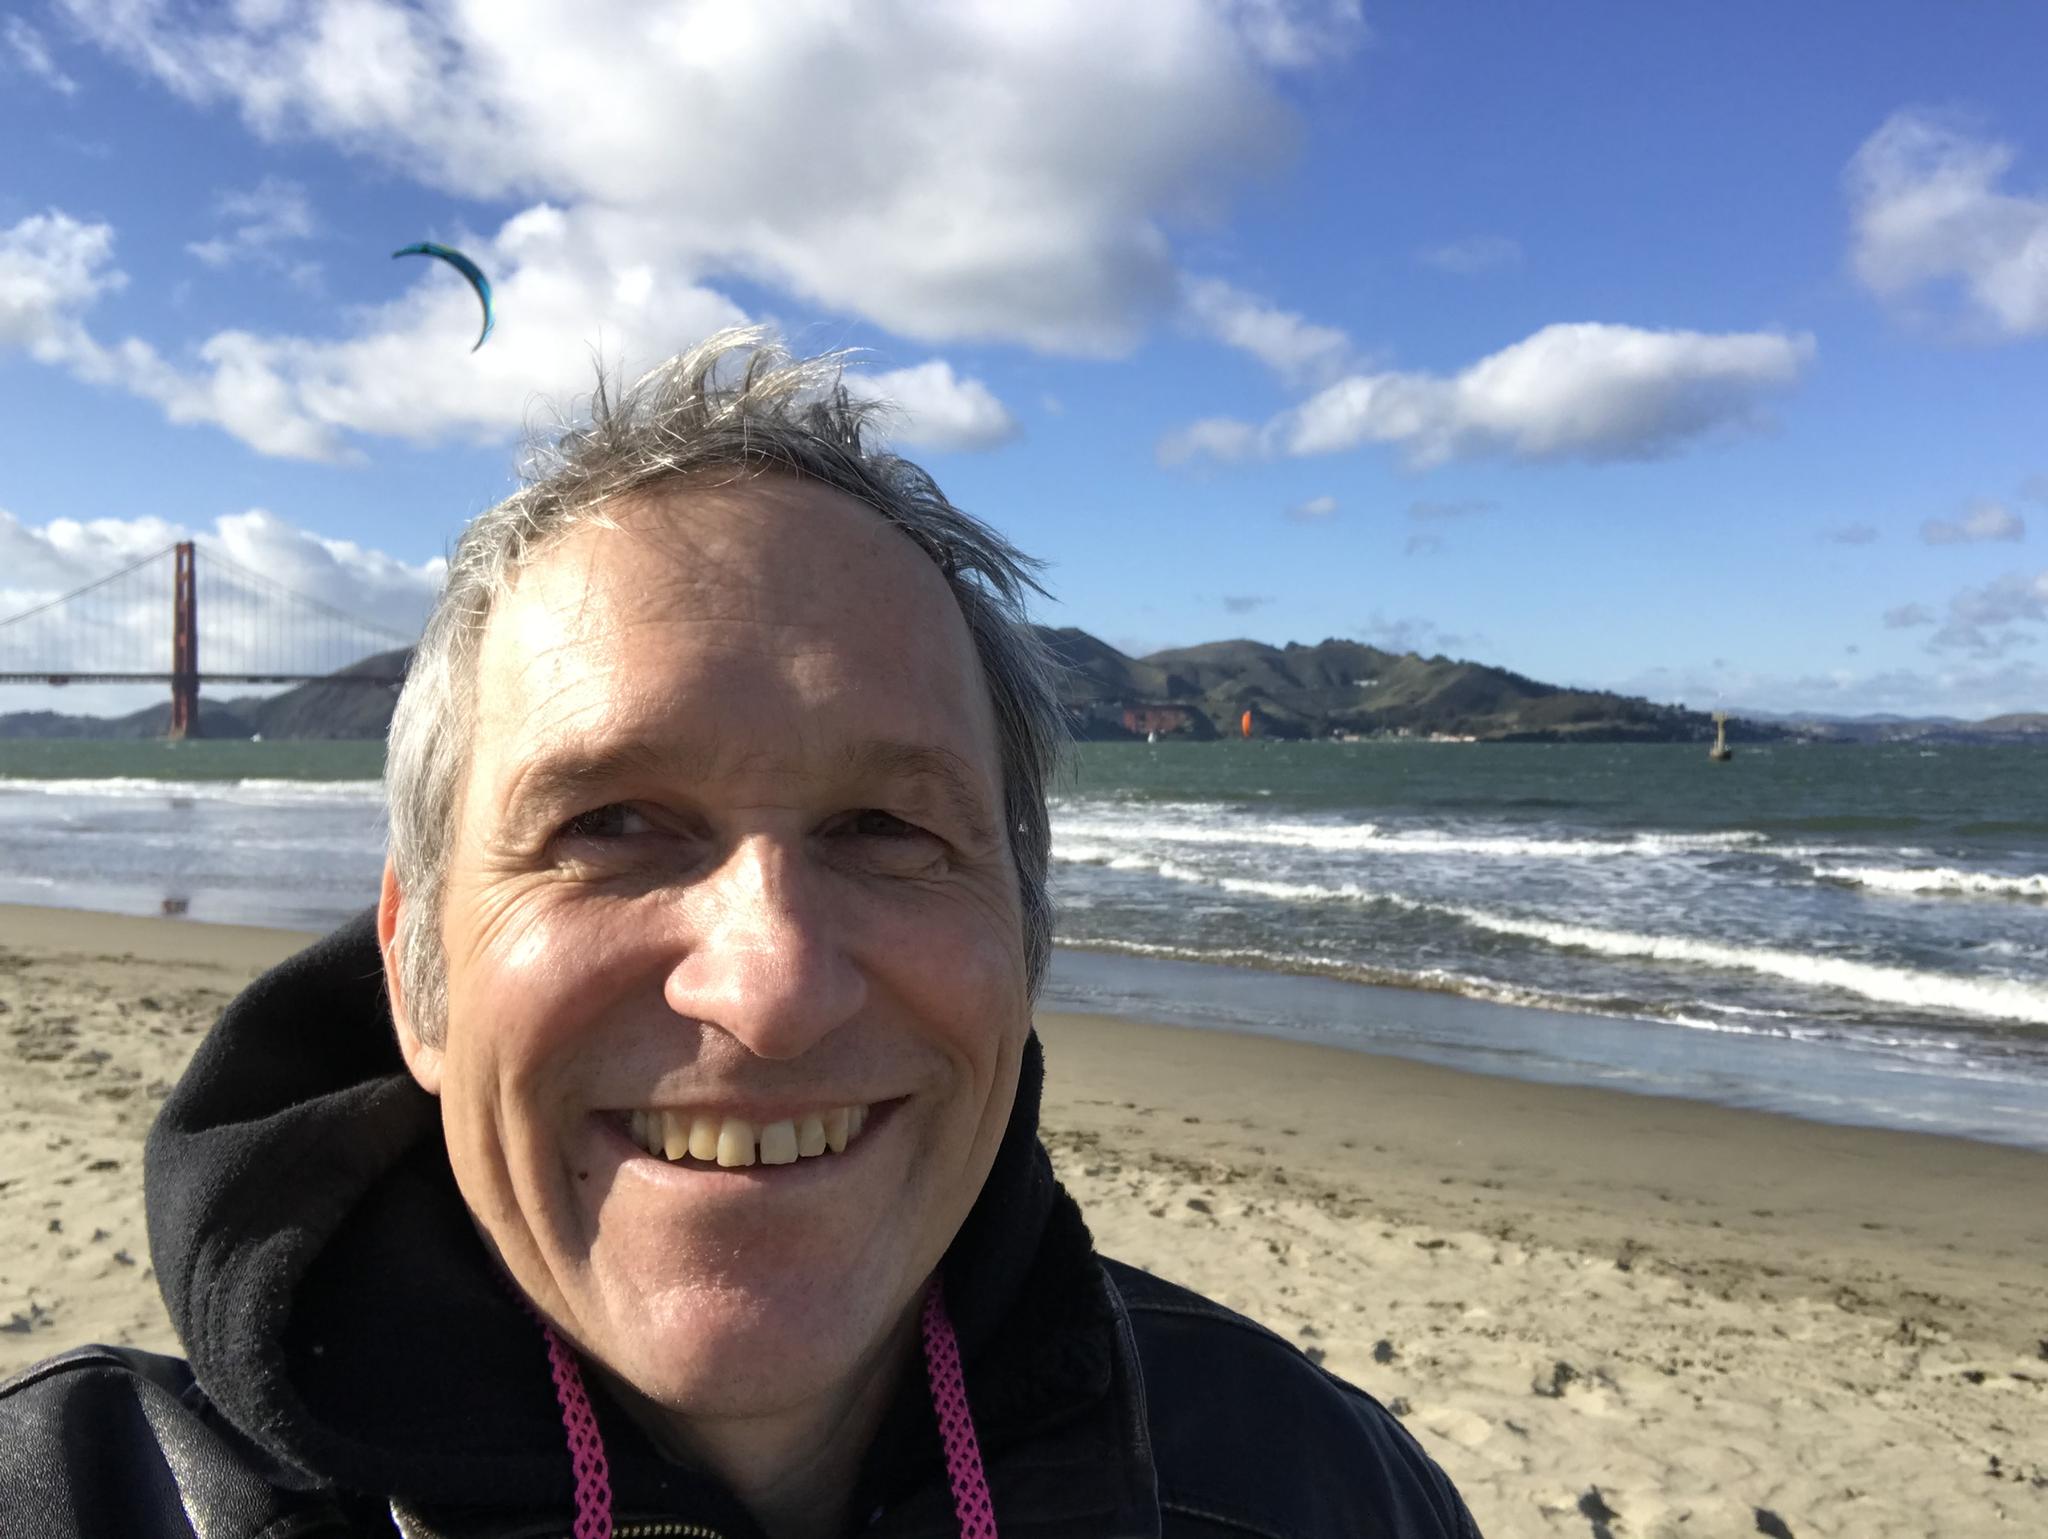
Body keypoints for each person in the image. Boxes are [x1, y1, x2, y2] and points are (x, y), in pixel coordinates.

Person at [0, 330, 1482, 1539]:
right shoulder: (84, 1497)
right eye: (609, 824)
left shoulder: (1324, 1494)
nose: (771, 988)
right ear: (415, 968)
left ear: (1027, 942)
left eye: (887, 830)